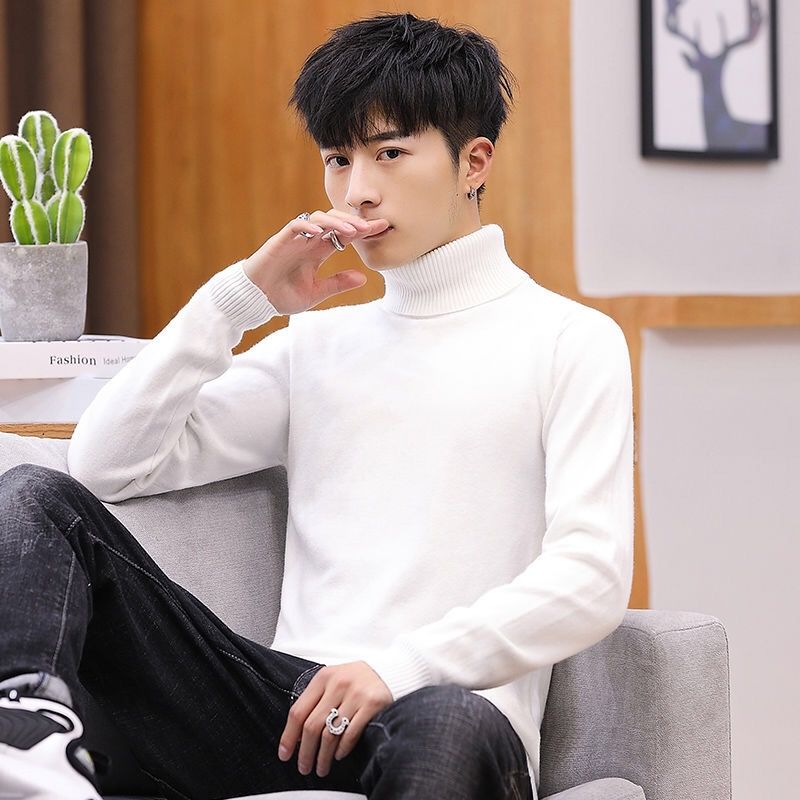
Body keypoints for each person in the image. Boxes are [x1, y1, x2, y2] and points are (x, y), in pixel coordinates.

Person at [0, 11, 634, 800]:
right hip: (289, 714)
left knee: (448, 717)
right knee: (35, 498)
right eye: (338, 159)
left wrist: (399, 667)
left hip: (442, 716)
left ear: (474, 162)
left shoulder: (571, 340)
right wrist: (238, 300)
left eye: (389, 153)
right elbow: (105, 465)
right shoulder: (315, 348)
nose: (357, 190)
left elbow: (591, 575)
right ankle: (27, 737)